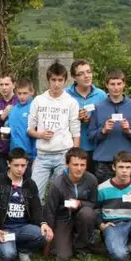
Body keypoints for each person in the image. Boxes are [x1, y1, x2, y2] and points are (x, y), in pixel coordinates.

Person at [27, 60, 81, 203]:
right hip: (42, 155)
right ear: (48, 80)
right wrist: (40, 134)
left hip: (63, 154)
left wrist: (74, 156)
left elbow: (76, 131)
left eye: (60, 80)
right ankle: (38, 223)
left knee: (64, 196)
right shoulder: (38, 100)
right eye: (53, 80)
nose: (56, 84)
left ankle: (62, 223)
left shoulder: (71, 102)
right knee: (35, 195)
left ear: (65, 81)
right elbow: (30, 129)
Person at [0, 148, 54, 261]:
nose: (20, 169)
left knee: (45, 235)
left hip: (23, 227)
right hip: (4, 229)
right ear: (8, 163)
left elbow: (36, 207)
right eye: (16, 165)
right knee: (8, 255)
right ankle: (6, 251)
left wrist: (43, 223)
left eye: (23, 165)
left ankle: (23, 250)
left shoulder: (30, 184)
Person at [88, 69, 131, 183]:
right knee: (105, 198)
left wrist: (129, 130)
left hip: (127, 164)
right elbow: (91, 136)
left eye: (119, 84)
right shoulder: (97, 107)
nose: (116, 87)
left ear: (124, 84)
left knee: (128, 199)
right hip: (104, 163)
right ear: (106, 85)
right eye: (112, 84)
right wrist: (103, 131)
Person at [44, 148, 98, 261]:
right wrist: (49, 238)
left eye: (82, 165)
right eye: (75, 164)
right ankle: (66, 243)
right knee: (62, 257)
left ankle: (82, 249)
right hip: (63, 218)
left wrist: (80, 204)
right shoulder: (58, 183)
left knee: (87, 213)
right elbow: (50, 210)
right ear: (67, 164)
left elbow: (93, 203)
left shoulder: (91, 179)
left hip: (82, 215)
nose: (79, 168)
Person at [67, 60, 107, 175]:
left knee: (94, 185)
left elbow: (106, 121)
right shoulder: (66, 95)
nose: (86, 76)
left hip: (96, 149)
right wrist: (76, 118)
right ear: (74, 78)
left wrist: (92, 120)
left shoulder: (101, 95)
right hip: (73, 149)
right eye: (81, 74)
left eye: (88, 72)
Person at [0, 72, 18, 174]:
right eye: (1, 84)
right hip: (1, 151)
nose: (4, 87)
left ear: (13, 85)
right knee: (4, 184)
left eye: (7, 84)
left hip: (18, 151)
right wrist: (2, 117)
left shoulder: (20, 101)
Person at [7, 78, 36, 177]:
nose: (22, 96)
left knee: (28, 187)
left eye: (25, 93)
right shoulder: (13, 109)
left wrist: (36, 157)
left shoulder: (34, 107)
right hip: (14, 155)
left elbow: (37, 133)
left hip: (29, 156)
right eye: (19, 93)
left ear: (32, 92)